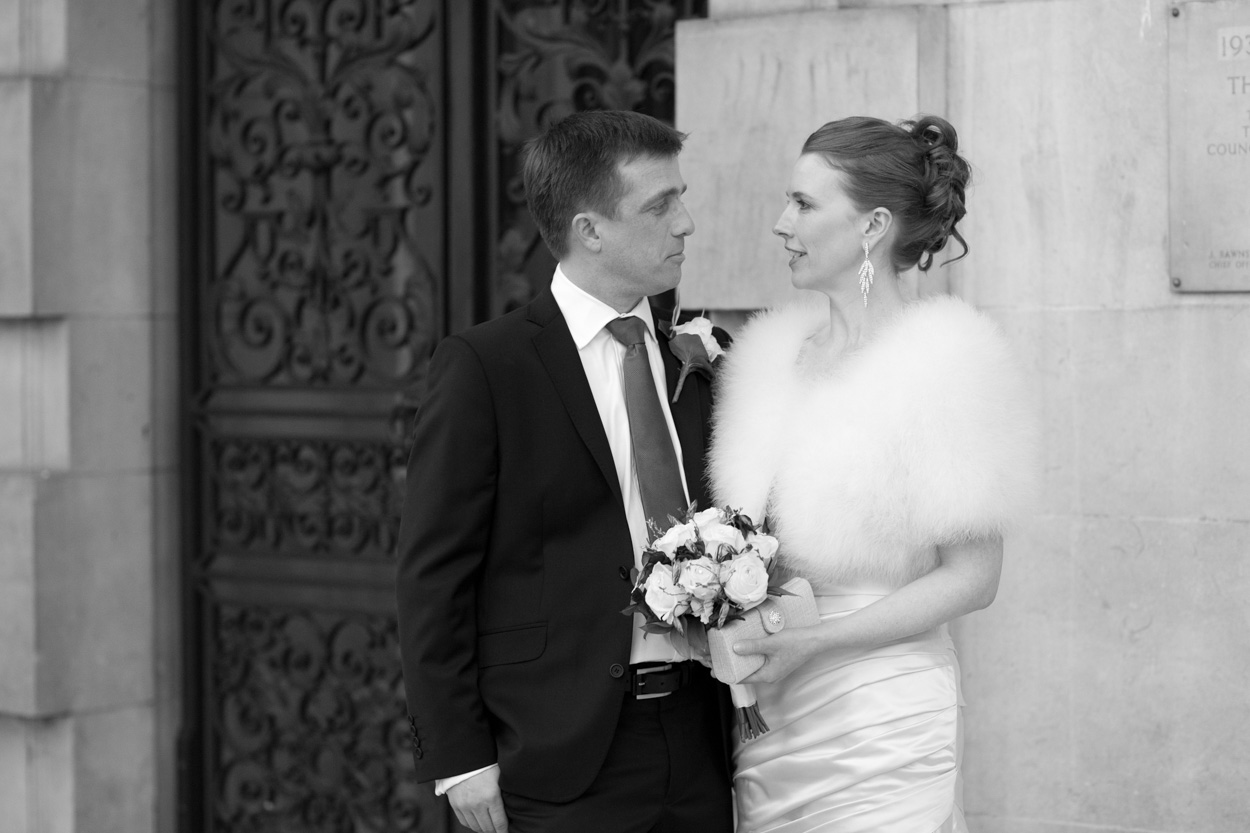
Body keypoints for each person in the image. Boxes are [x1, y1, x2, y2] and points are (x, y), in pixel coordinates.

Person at [395, 110, 733, 833]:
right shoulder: (487, 366)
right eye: (660, 205)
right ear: (590, 230)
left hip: (700, 740)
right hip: (555, 755)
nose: (686, 223)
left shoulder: (700, 355)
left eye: (681, 197)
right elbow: (434, 575)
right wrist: (459, 756)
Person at [708, 115, 1038, 832]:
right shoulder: (767, 357)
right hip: (772, 722)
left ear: (873, 226)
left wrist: (816, 643)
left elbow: (974, 578)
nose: (781, 223)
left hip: (883, 719)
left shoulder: (945, 363)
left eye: (804, 204)